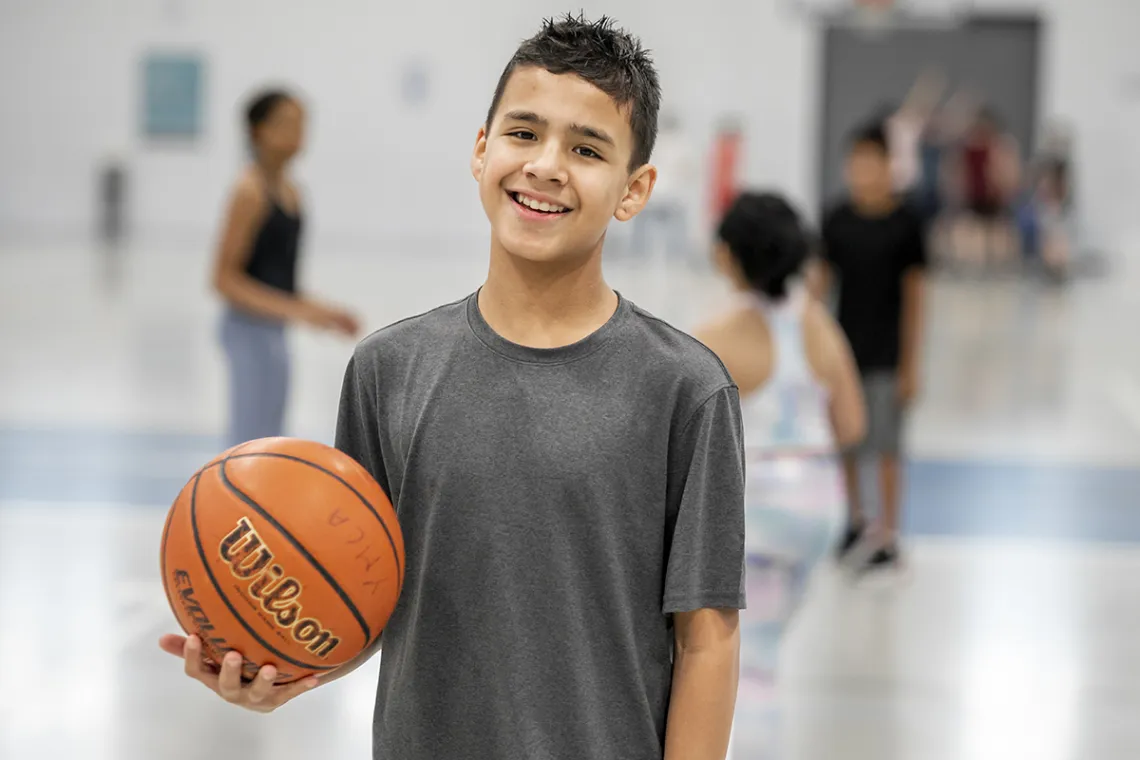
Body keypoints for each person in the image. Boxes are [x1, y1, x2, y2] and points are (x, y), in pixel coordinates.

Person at [161, 15, 746, 760]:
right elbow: (357, 602)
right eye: (523, 133)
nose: (546, 165)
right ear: (480, 150)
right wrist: (275, 664)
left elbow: (707, 642)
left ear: (635, 191)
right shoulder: (387, 370)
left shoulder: (686, 389)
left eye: (587, 148)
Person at [694, 192, 865, 756]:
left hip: (761, 510)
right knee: (767, 651)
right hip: (820, 505)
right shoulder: (817, 325)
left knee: (752, 667)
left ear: (730, 257)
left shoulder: (717, 336)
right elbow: (853, 423)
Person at [211, 89, 360, 448]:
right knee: (247, 440)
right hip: (246, 329)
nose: (297, 132)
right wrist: (295, 311)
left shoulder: (293, 193)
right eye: (286, 123)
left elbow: (282, 281)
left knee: (270, 435)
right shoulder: (248, 192)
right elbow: (223, 279)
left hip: (274, 331)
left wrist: (321, 311)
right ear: (257, 131)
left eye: (301, 123)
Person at [811, 123, 927, 573]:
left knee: (887, 448)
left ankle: (889, 535)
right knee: (847, 443)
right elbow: (820, 289)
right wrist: (815, 351)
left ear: (887, 165)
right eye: (855, 162)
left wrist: (911, 364)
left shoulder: (906, 224)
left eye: (871, 161)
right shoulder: (837, 219)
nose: (862, 170)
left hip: (888, 355)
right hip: (844, 353)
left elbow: (918, 297)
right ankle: (855, 522)